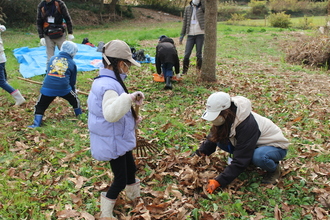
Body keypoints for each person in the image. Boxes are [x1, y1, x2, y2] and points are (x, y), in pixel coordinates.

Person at [87, 40, 145, 218]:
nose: (128, 70)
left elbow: (117, 111)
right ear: (120, 64)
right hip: (112, 142)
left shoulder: (109, 81)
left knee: (131, 169)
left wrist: (132, 115)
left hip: (117, 138)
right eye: (127, 66)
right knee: (120, 179)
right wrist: (128, 99)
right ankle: (105, 213)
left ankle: (133, 198)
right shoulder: (108, 86)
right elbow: (111, 114)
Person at [194, 92, 289, 194]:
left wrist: (219, 181)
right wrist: (199, 153)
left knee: (259, 157)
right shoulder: (227, 117)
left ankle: (274, 169)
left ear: (225, 111)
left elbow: (240, 160)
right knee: (220, 140)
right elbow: (213, 137)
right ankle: (250, 159)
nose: (214, 119)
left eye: (216, 115)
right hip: (252, 144)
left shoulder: (246, 124)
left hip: (274, 146)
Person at [28, 41, 81, 128]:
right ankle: (80, 116)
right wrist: (73, 91)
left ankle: (36, 124)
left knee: (40, 105)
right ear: (73, 52)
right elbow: (72, 81)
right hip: (64, 88)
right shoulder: (72, 63)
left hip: (47, 88)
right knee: (75, 101)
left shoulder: (52, 58)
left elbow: (48, 72)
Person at [37, 0, 74, 64]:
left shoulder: (59, 3)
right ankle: (49, 71)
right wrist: (41, 36)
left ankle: (67, 70)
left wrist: (70, 32)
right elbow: (39, 21)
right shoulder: (41, 5)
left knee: (65, 54)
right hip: (48, 33)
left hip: (60, 33)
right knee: (50, 57)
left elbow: (67, 18)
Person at [0, 24, 26, 106]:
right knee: (3, 80)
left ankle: (19, 98)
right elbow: (3, 28)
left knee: (1, 82)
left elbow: (3, 28)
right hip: (2, 58)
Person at [179, 0, 205, 75]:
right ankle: (184, 71)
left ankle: (198, 71)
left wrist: (201, 3)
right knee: (186, 54)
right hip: (190, 34)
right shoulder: (188, 8)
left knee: (199, 54)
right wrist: (182, 35)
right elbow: (185, 22)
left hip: (200, 33)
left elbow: (205, 9)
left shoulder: (202, 7)